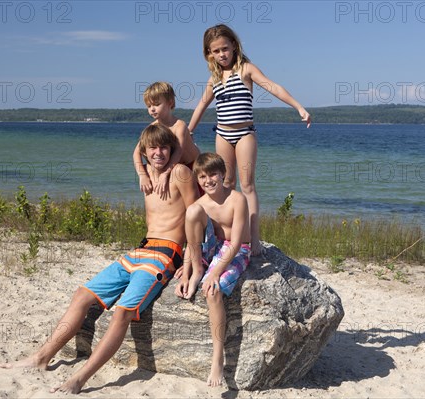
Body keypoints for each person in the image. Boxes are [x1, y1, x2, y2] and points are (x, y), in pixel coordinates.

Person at [0, 124, 198, 394]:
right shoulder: (147, 173)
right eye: (153, 148)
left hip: (165, 255)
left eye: (164, 147)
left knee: (122, 312)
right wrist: (141, 169)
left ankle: (79, 378)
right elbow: (136, 153)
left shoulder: (180, 173)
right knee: (81, 294)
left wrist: (190, 265)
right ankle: (41, 358)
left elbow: (197, 217)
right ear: (145, 151)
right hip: (140, 250)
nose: (158, 153)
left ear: (173, 149)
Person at [187, 24, 311, 256]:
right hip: (222, 134)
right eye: (216, 51)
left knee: (247, 185)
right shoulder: (214, 78)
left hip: (244, 134)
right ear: (209, 54)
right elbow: (202, 105)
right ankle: (225, 234)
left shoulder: (246, 69)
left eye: (225, 48)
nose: (222, 54)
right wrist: (189, 131)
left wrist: (299, 107)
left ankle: (253, 238)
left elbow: (273, 87)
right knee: (225, 185)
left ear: (234, 45)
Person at [174, 152, 251, 387]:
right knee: (192, 212)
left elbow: (236, 243)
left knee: (212, 291)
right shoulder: (202, 204)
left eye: (213, 175)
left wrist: (216, 272)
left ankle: (218, 358)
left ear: (223, 175)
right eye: (203, 176)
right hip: (213, 247)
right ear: (198, 179)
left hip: (236, 250)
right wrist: (187, 271)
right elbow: (192, 242)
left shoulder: (237, 199)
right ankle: (198, 271)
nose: (208, 180)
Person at [133, 81, 200, 197]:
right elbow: (136, 153)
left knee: (198, 201)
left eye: (156, 104)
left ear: (170, 102)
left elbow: (178, 152)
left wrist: (164, 173)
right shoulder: (152, 128)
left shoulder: (179, 125)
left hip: (193, 167)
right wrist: (142, 175)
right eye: (149, 106)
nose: (152, 109)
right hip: (174, 166)